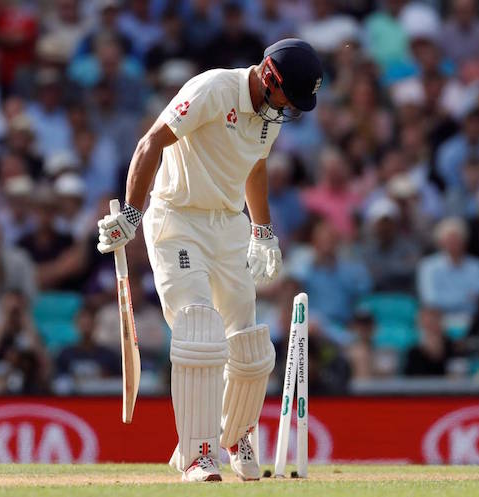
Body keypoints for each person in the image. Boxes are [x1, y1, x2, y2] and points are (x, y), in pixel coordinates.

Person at [96, 39, 323, 482]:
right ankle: (199, 454)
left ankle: (236, 435)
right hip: (178, 218)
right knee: (199, 330)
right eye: (288, 98)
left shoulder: (268, 118)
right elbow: (151, 141)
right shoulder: (214, 89)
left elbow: (254, 167)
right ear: (269, 77)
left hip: (228, 224)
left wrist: (262, 231)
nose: (289, 110)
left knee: (251, 348)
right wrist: (131, 213)